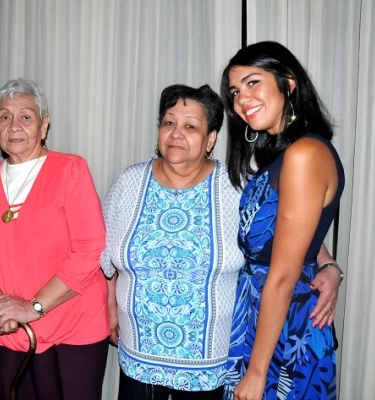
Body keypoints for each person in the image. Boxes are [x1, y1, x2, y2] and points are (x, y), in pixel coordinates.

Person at [101, 83, 342, 400]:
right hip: (138, 353)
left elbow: (287, 234)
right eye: (168, 122)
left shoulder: (239, 185)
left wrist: (330, 266)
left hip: (211, 361)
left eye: (190, 126)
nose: (176, 133)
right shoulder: (129, 182)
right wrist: (109, 306)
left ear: (211, 138)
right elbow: (104, 253)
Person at [0, 78, 109, 400]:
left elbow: (89, 249)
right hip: (6, 330)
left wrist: (32, 307)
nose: (14, 125)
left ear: (44, 126)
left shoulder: (71, 169)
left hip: (73, 330)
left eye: (26, 117)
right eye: (5, 116)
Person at [220, 41, 345, 400]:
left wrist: (258, 373)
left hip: (285, 329)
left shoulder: (305, 153)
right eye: (235, 91)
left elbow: (284, 274)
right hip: (261, 318)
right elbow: (291, 232)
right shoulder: (286, 153)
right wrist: (330, 265)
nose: (242, 99)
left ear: (288, 84)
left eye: (253, 82)